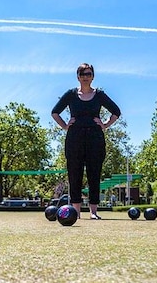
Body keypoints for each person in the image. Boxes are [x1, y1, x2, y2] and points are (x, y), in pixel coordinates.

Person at [51, 63, 121, 220]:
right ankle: (75, 211)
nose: (85, 77)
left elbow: (116, 112)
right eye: (82, 74)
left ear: (93, 76)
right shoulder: (71, 94)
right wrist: (65, 126)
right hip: (74, 138)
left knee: (94, 173)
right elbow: (55, 112)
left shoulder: (100, 95)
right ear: (78, 77)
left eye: (88, 74)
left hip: (95, 138)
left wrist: (105, 125)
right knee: (74, 173)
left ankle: (93, 212)